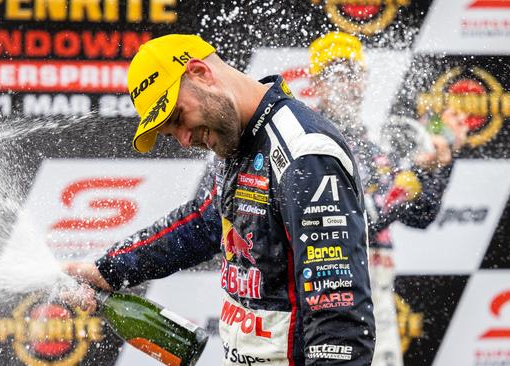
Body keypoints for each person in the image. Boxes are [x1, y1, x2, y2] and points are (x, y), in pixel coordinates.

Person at [63, 34, 376, 365]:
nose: (183, 140)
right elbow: (204, 224)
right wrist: (109, 269)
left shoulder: (303, 151)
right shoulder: (239, 140)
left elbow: (338, 316)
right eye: (172, 133)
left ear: (200, 73)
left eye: (179, 118)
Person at [309, 32, 457, 366]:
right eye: (337, 74)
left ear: (365, 79)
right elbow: (363, 218)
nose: (348, 84)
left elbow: (421, 216)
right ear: (317, 84)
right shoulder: (313, 142)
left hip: (380, 307)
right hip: (333, 307)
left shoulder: (373, 147)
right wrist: (412, 177)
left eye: (354, 73)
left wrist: (443, 163)